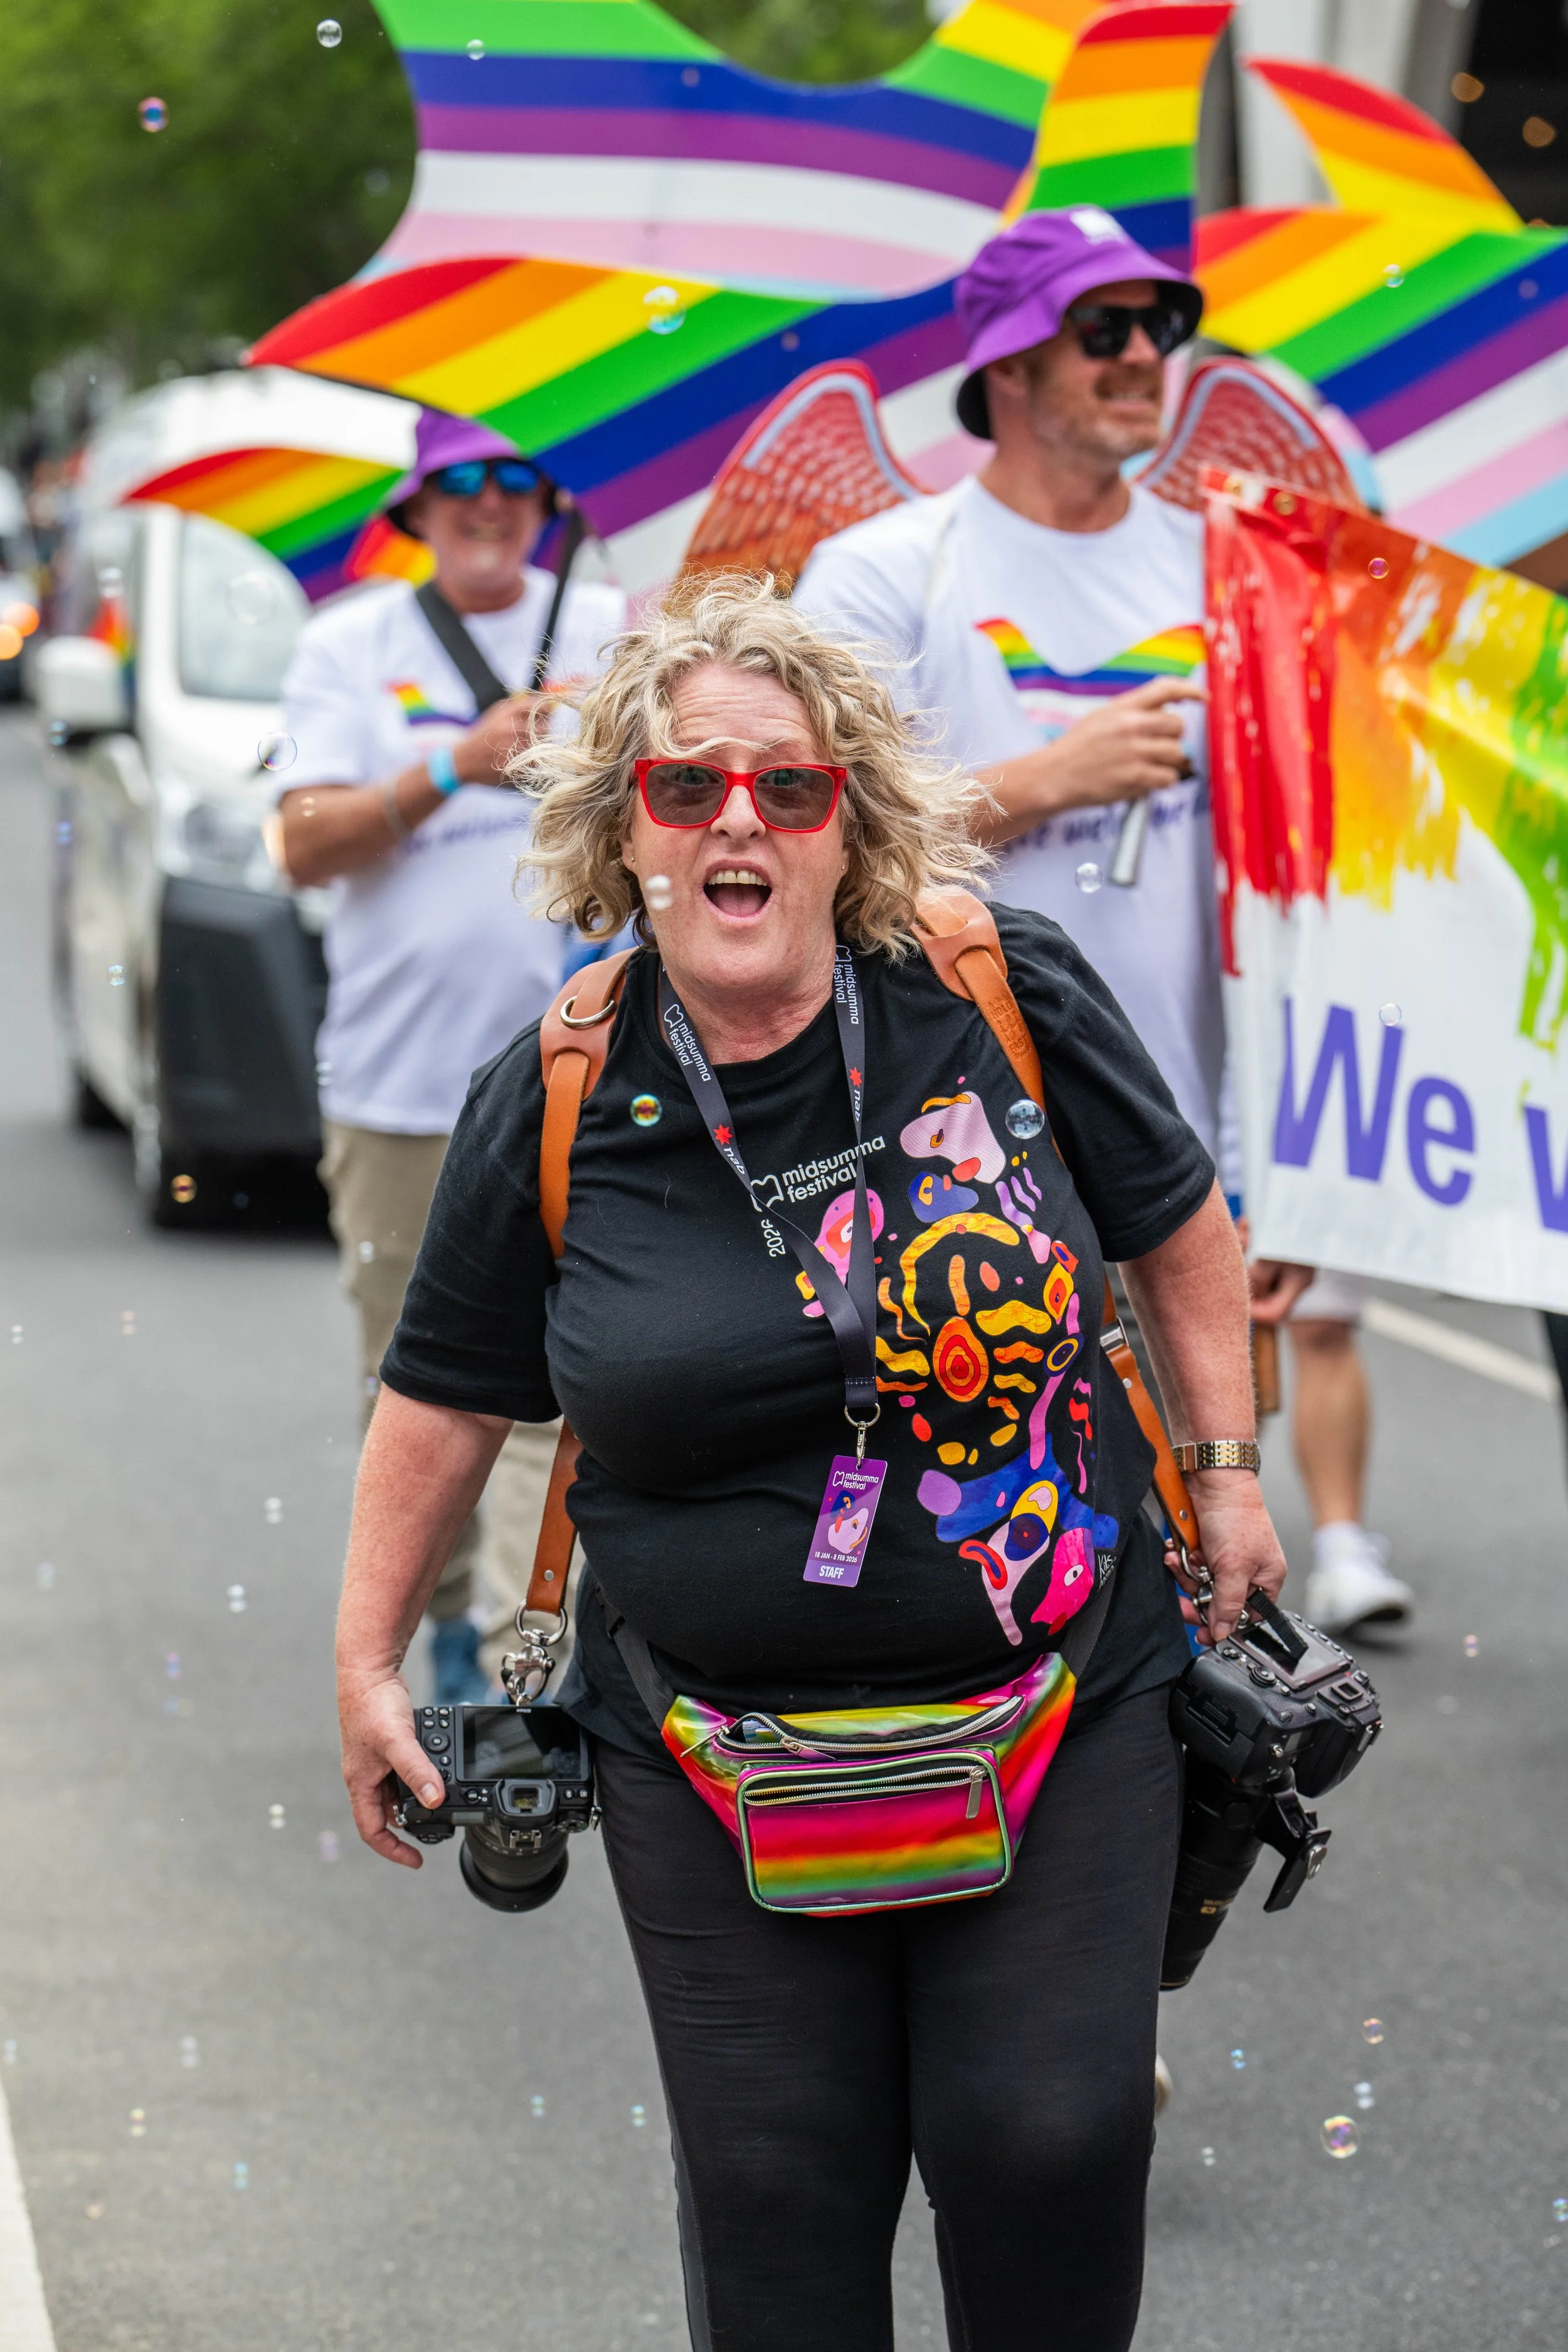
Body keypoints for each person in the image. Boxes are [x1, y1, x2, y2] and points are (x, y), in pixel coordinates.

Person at [334, 582, 1289, 2350]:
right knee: (779, 2190)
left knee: (1047, 2135)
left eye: (787, 786)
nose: (737, 824)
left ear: (849, 811)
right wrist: (365, 1653)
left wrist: (1225, 1472)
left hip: (1058, 1698)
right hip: (708, 1742)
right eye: (686, 788)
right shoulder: (552, 1085)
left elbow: (1177, 1227)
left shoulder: (991, 986)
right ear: (622, 825)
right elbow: (444, 1390)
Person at [795, 205, 1412, 1638]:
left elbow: (1301, 896)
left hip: (1184, 1165)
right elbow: (801, 835)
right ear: (1009, 362)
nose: (1148, 358)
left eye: (1162, 327)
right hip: (941, 1151)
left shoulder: (1229, 572)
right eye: (1106, 329)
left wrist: (1288, 1165)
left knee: (1202, 1564)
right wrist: (1040, 783)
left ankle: (1151, 1858)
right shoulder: (886, 575)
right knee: (977, 1545)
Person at [276, 410, 626, 1700]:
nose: (491, 503)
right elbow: (299, 840)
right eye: (460, 484)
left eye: (518, 479)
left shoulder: (611, 620)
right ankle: (437, 1611)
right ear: (417, 509)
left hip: (586, 1077)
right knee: (413, 1379)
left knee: (561, 1382)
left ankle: (511, 1646)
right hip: (400, 1089)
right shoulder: (347, 644)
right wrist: (452, 765)